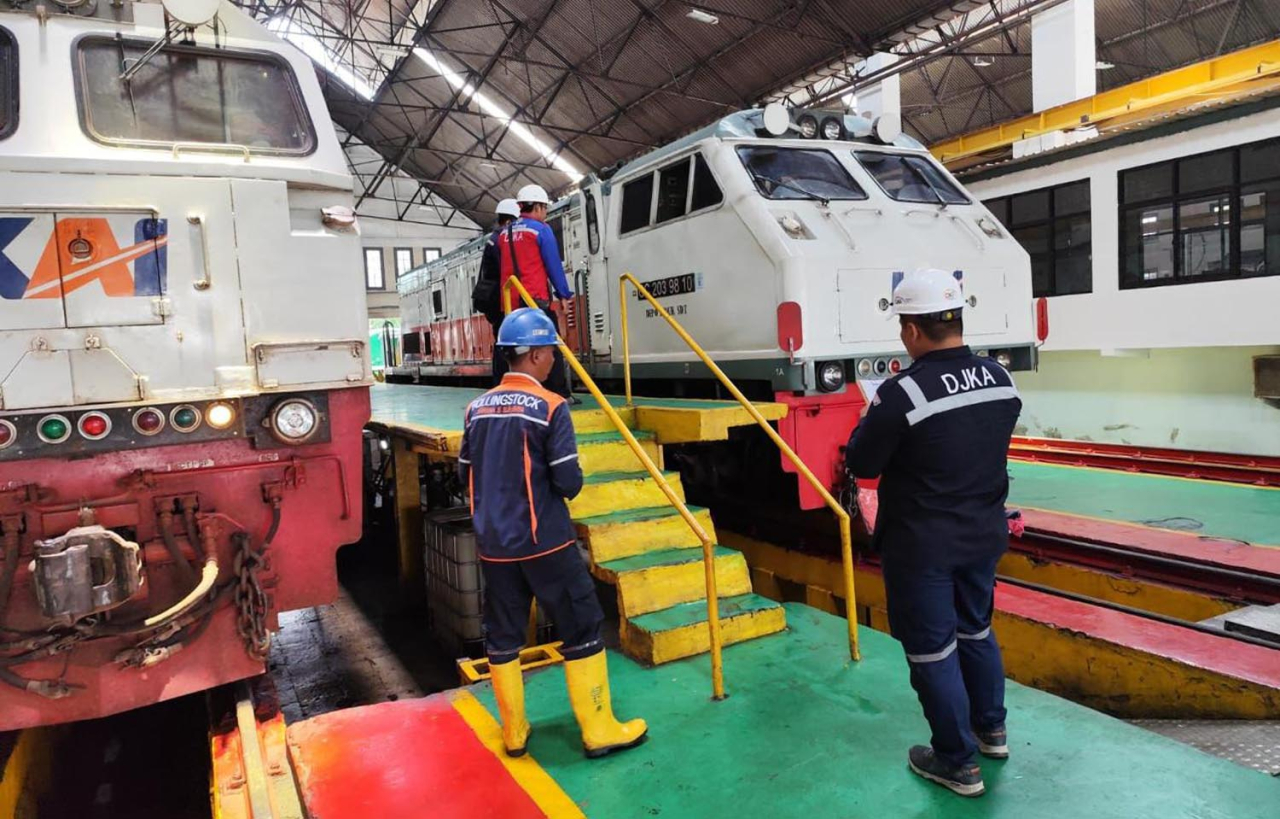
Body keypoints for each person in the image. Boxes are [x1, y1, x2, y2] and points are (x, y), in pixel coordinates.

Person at [844, 268, 1022, 798]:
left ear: (913, 331)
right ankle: (992, 732)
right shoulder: (1001, 379)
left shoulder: (902, 393)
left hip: (923, 545)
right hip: (984, 532)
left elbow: (861, 460)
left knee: (931, 650)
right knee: (976, 631)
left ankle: (955, 761)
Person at [458, 308, 648, 759]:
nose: (554, 362)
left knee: (503, 635)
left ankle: (515, 733)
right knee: (581, 626)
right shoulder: (551, 407)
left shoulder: (475, 409)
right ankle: (599, 729)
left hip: (494, 547)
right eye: (552, 354)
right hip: (546, 544)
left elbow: (464, 471)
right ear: (539, 354)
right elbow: (568, 483)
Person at [495, 184, 574, 397]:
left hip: (511, 302)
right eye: (545, 208)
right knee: (549, 343)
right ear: (538, 207)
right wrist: (564, 294)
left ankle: (512, 391)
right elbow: (553, 266)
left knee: (515, 348)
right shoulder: (541, 230)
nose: (546, 213)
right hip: (534, 299)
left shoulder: (504, 234)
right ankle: (558, 393)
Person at [475, 198, 522, 384]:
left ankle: (502, 382)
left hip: (494, 300)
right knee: (504, 343)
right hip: (500, 300)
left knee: (502, 341)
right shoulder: (500, 241)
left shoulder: (493, 240)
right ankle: (502, 382)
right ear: (509, 221)